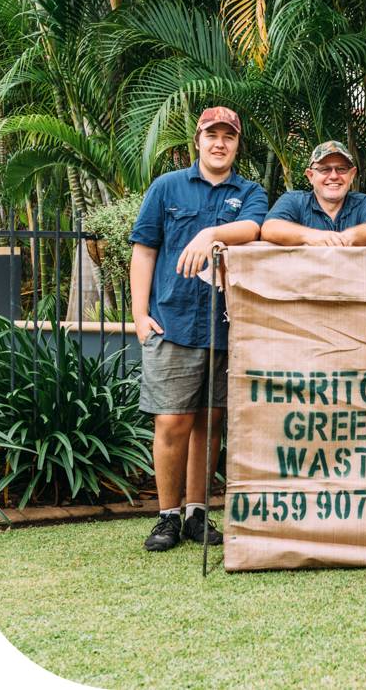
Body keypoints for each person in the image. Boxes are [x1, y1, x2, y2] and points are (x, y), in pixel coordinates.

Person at [130, 106, 268, 551]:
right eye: (212, 135)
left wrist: (210, 234)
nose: (219, 143)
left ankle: (196, 514)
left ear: (236, 144)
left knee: (210, 424)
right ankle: (167, 517)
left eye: (228, 136)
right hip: (171, 322)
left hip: (226, 327)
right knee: (172, 422)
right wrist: (138, 314)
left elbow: (255, 228)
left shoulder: (249, 192)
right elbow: (145, 250)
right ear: (198, 140)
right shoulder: (166, 187)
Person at [260, 141, 366, 245]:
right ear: (310, 176)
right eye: (324, 169)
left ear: (352, 175)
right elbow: (270, 228)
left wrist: (347, 237)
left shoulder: (363, 203)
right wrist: (312, 236)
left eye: (341, 169)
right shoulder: (294, 200)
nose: (333, 176)